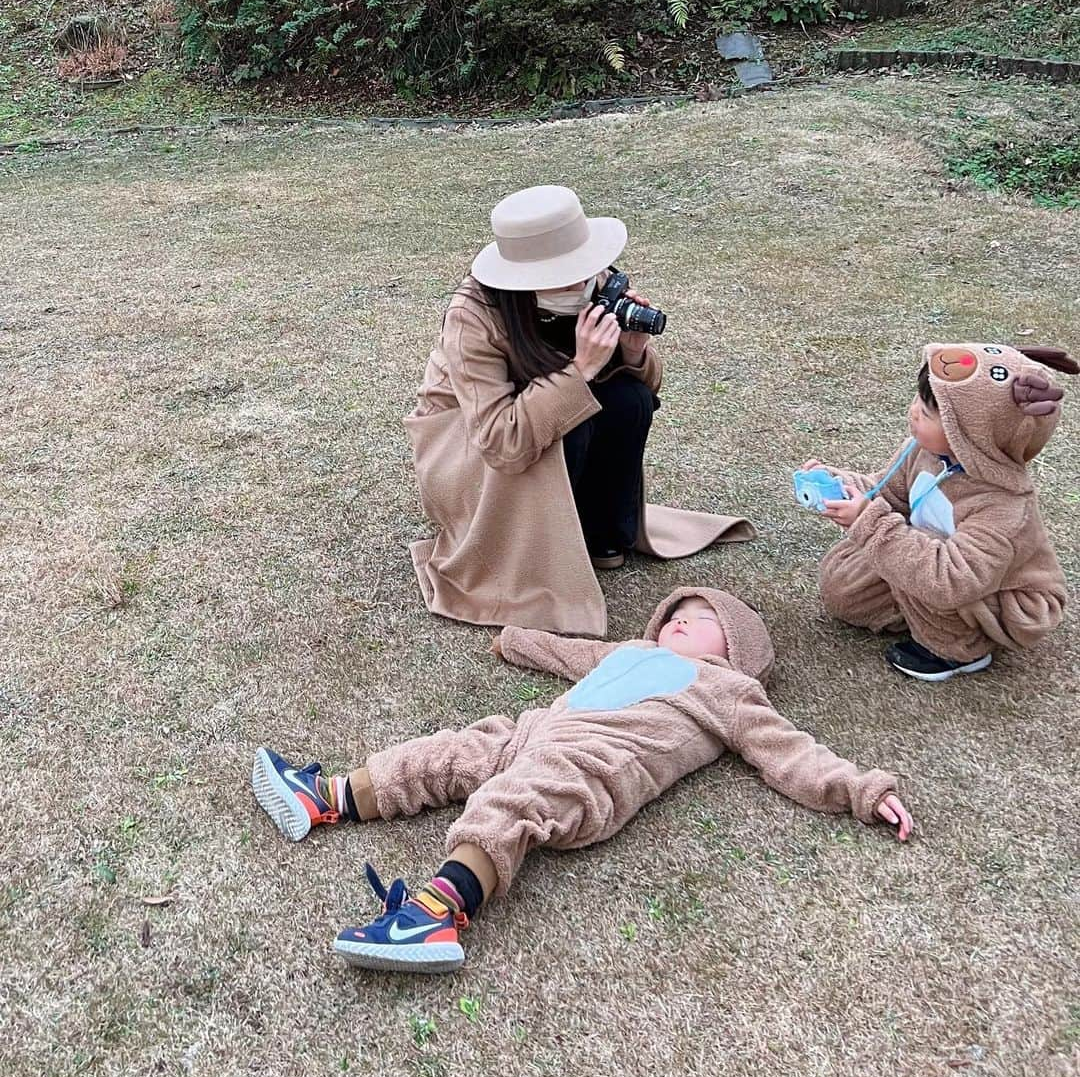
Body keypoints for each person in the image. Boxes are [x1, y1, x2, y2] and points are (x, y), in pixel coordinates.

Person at [251, 586, 913, 974]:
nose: (679, 618)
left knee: (510, 802)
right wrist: (514, 639)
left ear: (736, 644)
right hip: (530, 733)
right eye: (674, 613)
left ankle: (433, 915)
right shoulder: (632, 650)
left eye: (700, 618)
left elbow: (791, 752)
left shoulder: (732, 692)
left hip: (592, 768)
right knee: (451, 751)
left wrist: (863, 789)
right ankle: (326, 796)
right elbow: (569, 652)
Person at [404, 184, 754, 637]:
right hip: (468, 442)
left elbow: (644, 390)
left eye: (585, 268)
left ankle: (602, 534)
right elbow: (501, 443)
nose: (582, 282)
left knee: (630, 400)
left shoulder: (598, 281)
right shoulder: (474, 315)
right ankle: (544, 545)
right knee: (567, 424)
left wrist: (632, 352)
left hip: (540, 411)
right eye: (566, 274)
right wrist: (581, 369)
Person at [805, 342, 1075, 680]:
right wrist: (839, 484)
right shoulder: (923, 452)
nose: (913, 412)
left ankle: (960, 650)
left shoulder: (1002, 506)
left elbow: (953, 579)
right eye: (919, 400)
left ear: (974, 437)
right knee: (845, 590)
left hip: (998, 595)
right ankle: (919, 611)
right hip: (934, 560)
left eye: (930, 413)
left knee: (922, 557)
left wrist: (867, 522)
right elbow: (886, 492)